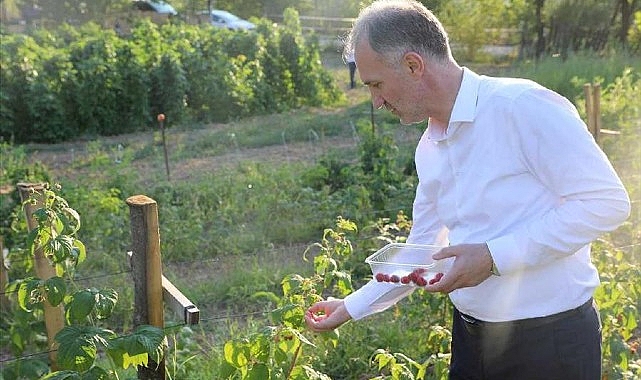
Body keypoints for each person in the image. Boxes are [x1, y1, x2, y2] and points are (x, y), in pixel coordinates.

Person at [304, 1, 631, 379]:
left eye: (376, 84)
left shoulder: (522, 107)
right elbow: (421, 248)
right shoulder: (429, 146)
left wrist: (493, 257)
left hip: (550, 344)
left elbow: (606, 202)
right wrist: (349, 306)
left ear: (413, 65)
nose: (376, 101)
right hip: (471, 339)